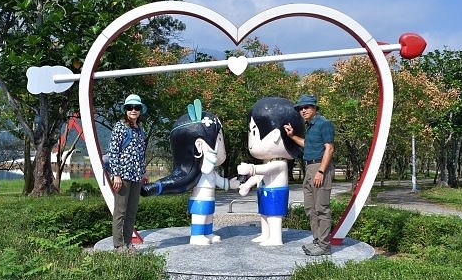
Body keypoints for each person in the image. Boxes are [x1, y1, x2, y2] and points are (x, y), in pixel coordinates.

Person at [141, 99, 239, 245]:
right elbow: (206, 168)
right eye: (219, 139)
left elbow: (218, 180)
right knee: (200, 215)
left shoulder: (209, 171)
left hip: (209, 199)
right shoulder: (202, 169)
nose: (221, 146)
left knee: (208, 215)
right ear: (199, 145)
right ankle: (197, 235)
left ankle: (208, 232)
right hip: (199, 199)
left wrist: (230, 184)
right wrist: (209, 156)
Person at [237, 97, 304, 246]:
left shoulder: (280, 163)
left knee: (274, 215)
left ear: (275, 135)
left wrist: (251, 168)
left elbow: (266, 170)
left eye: (253, 133)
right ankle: (265, 234)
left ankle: (275, 237)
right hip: (265, 191)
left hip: (276, 193)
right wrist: (248, 184)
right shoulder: (268, 162)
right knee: (264, 213)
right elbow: (261, 175)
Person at [284, 94, 335, 256]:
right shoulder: (311, 126)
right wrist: (292, 136)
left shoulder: (324, 123)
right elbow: (307, 145)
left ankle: (324, 245)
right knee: (310, 208)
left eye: (306, 107)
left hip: (320, 167)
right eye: (300, 108)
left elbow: (329, 148)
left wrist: (321, 171)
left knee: (322, 208)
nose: (303, 110)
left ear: (314, 108)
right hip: (309, 167)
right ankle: (317, 240)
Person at [107, 94, 148, 254]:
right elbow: (113, 152)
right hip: (123, 176)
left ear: (140, 110)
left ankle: (128, 243)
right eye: (130, 107)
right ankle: (119, 245)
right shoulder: (120, 127)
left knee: (131, 211)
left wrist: (143, 172)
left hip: (136, 176)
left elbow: (140, 153)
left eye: (136, 107)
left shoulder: (140, 129)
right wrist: (115, 174)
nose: (133, 110)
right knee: (120, 211)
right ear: (125, 110)